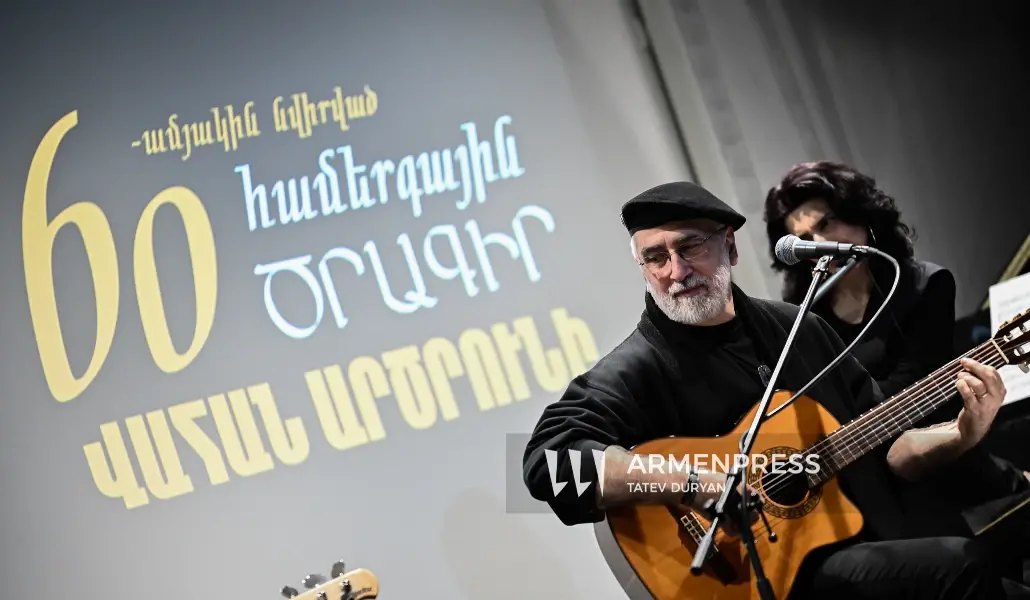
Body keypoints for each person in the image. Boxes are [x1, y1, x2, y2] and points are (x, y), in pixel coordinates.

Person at [522, 181, 1015, 599]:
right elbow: (550, 465)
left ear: (730, 247)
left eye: (690, 247)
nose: (676, 271)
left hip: (865, 540)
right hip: (760, 581)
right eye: (656, 257)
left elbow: (887, 446)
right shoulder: (638, 367)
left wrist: (959, 434)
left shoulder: (799, 328)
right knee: (962, 565)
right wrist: (689, 484)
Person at [762, 161, 1029, 562]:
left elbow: (913, 389)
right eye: (803, 239)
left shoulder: (923, 285)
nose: (819, 242)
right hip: (851, 479)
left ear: (859, 214)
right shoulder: (804, 317)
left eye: (826, 224)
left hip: (932, 454)